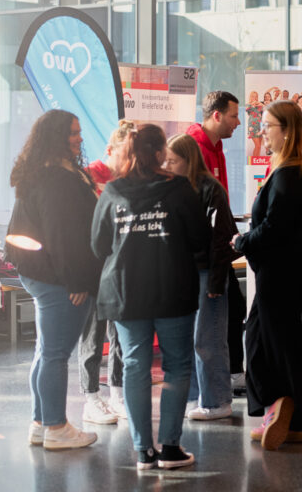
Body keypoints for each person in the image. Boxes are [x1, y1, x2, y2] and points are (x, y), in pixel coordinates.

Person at [91, 124, 209, 469]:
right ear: (159, 153)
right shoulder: (180, 189)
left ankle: (143, 450)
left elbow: (98, 245)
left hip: (126, 292)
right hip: (173, 288)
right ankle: (170, 448)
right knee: (177, 366)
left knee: (134, 366)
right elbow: (200, 239)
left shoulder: (113, 191)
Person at [6, 109, 103, 450]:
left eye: (78, 131)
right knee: (56, 354)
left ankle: (41, 423)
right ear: (56, 137)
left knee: (46, 351)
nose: (79, 138)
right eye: (73, 133)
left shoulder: (44, 171)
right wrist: (77, 281)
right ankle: (57, 427)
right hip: (59, 279)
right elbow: (64, 236)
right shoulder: (57, 179)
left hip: (42, 273)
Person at [230, 101, 302, 450]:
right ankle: (284, 412)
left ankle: (284, 409)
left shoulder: (290, 173)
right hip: (288, 267)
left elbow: (274, 226)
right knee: (263, 338)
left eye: (267, 125)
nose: (261, 131)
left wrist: (242, 242)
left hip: (284, 270)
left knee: (275, 343)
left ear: (286, 130)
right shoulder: (294, 169)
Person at [164, 134, 238, 421]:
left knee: (207, 339)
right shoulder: (174, 189)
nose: (167, 166)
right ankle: (197, 397)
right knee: (188, 339)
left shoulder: (211, 190)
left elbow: (221, 238)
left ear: (189, 160)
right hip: (183, 274)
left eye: (173, 161)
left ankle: (217, 400)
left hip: (206, 274)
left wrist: (217, 281)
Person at [186, 91, 247, 394]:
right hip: (204, 255)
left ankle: (230, 375)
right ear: (217, 115)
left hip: (218, 250)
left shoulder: (216, 147)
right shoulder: (194, 149)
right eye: (234, 116)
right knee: (211, 323)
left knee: (233, 310)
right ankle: (212, 389)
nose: (239, 122)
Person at [79, 120, 135, 425]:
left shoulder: (128, 181)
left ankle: (117, 395)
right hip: (94, 267)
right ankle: (90, 398)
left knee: (119, 334)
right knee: (93, 333)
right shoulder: (88, 177)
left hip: (119, 267)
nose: (129, 160)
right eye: (125, 153)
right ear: (110, 149)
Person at [245, 91, 265, 157]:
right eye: (253, 96)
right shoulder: (248, 104)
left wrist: (262, 105)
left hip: (260, 126)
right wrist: (253, 104)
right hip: (253, 126)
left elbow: (267, 110)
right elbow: (246, 109)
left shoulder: (260, 105)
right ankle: (254, 160)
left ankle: (257, 160)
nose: (255, 98)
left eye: (256, 96)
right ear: (251, 97)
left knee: (259, 146)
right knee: (257, 145)